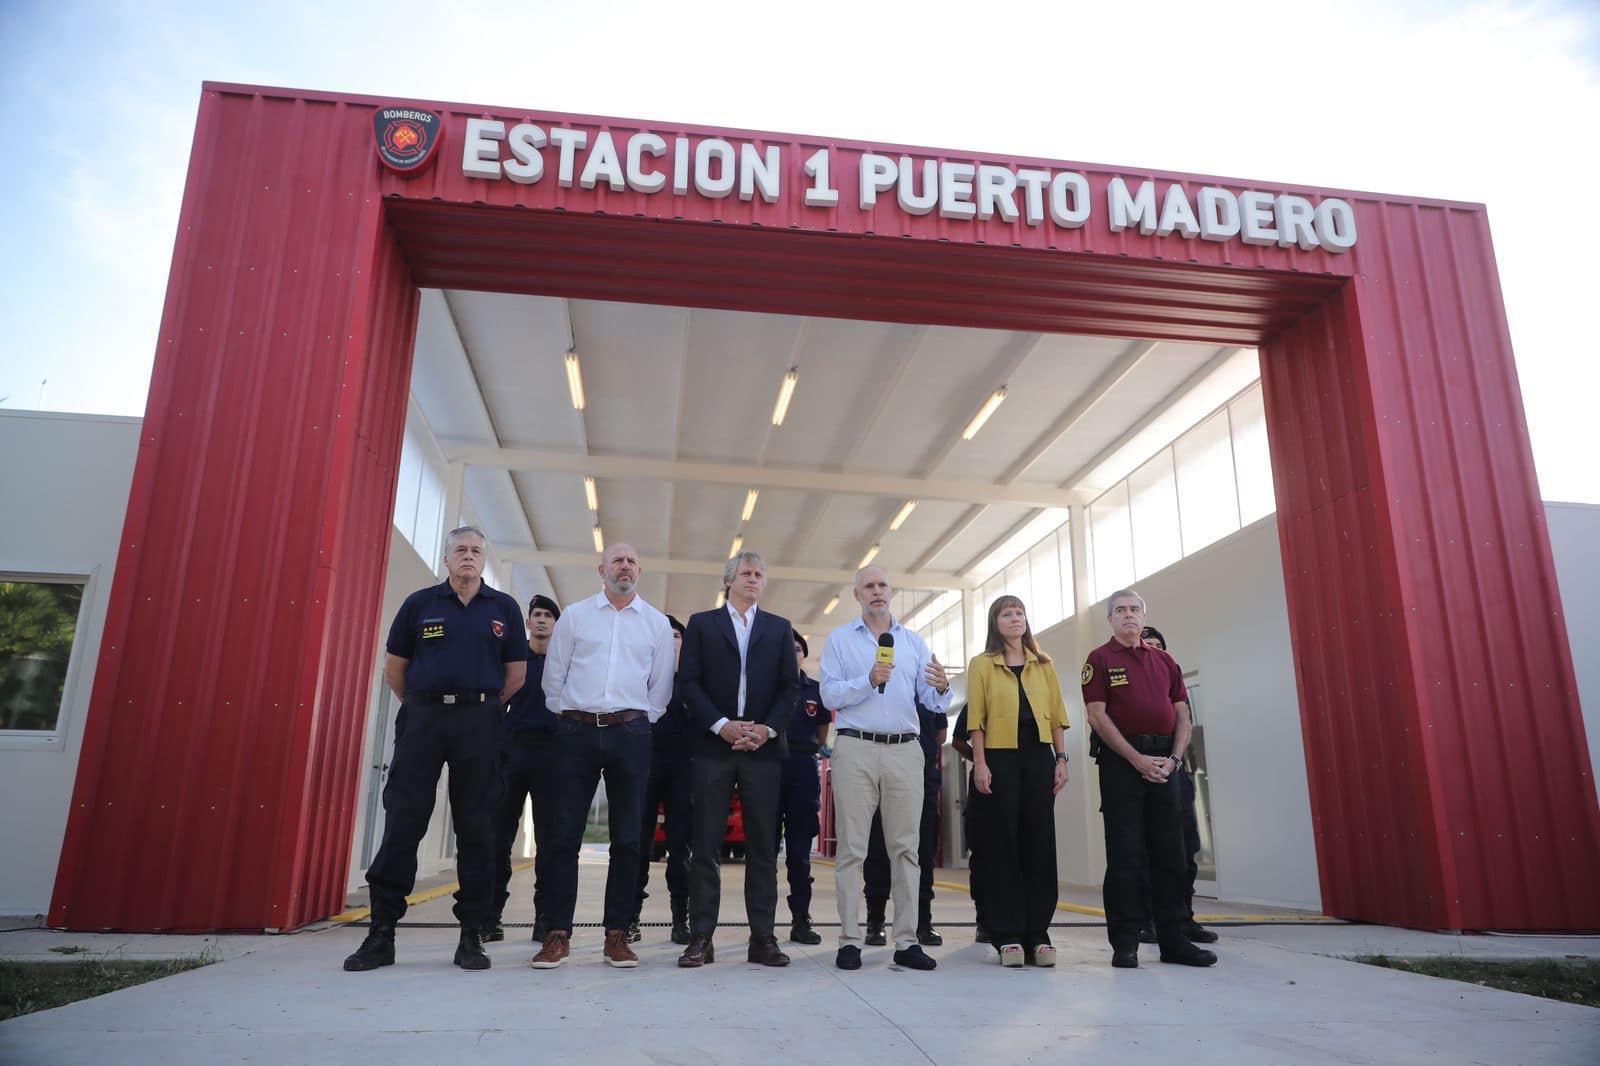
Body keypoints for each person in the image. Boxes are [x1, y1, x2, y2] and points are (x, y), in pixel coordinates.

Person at [344, 526, 528, 973]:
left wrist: (478, 708)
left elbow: (516, 674)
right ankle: (382, 932)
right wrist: (427, 707)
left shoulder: (503, 608)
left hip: (481, 722)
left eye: (476, 551)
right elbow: (395, 670)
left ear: (484, 560)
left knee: (478, 828)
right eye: (460, 550)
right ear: (446, 559)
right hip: (424, 720)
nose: (468, 557)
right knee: (404, 823)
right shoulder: (418, 605)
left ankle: (471, 935)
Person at [533, 543, 675, 970]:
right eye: (617, 560)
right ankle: (557, 934)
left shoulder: (655, 624)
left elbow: (660, 688)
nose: (625, 566)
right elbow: (553, 678)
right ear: (602, 570)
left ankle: (617, 934)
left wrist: (637, 720)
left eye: (632, 560)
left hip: (631, 733)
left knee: (629, 839)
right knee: (563, 836)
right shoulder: (576, 616)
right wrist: (572, 715)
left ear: (639, 571)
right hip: (575, 730)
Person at [820, 565, 950, 972]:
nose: (877, 592)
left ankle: (907, 940)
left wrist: (944, 688)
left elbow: (930, 701)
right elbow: (829, 692)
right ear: (856, 594)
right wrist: (867, 679)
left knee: (906, 849)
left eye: (882, 585)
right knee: (853, 850)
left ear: (891, 592)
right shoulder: (840, 640)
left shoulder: (913, 643)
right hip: (856, 747)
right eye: (869, 586)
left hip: (905, 750)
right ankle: (849, 941)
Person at [676, 551, 801, 968]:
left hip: (762, 750)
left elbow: (789, 689)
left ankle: (763, 938)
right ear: (728, 580)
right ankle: (701, 938)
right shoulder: (702, 624)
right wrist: (720, 724)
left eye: (759, 574)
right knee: (706, 845)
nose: (753, 579)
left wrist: (765, 729)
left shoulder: (780, 629)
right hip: (713, 748)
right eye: (746, 573)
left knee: (764, 848)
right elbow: (688, 683)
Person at [1081, 589, 1217, 969]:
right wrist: (1137, 758)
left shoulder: (1166, 661)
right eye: (1120, 610)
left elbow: (1183, 716)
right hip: (1122, 765)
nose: (1128, 615)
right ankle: (1125, 943)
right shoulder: (1099, 660)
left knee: (1171, 853)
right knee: (1126, 856)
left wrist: (1173, 759)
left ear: (1143, 616)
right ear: (1110, 619)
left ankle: (1174, 940)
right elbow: (1096, 715)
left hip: (1165, 765)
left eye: (1134, 609)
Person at [967, 595, 1072, 967]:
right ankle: (1007, 933)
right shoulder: (982, 665)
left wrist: (1061, 759)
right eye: (1006, 614)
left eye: (1020, 613)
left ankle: (1038, 933)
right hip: (999, 759)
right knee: (1003, 842)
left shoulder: (1044, 665)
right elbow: (975, 719)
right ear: (995, 623)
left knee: (1039, 841)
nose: (1015, 619)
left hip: (1038, 757)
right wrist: (980, 763)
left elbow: (1058, 716)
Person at [1137, 625, 1218, 947]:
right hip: (1146, 777)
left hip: (1178, 777)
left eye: (1160, 645)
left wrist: (1178, 763)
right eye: (1149, 645)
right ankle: (1150, 921)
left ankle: (1185, 919)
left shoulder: (1175, 688)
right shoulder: (1136, 694)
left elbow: (1186, 730)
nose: (1155, 650)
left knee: (1186, 851)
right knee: (1149, 854)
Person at [489, 594, 561, 944]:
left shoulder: (567, 665)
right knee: (498, 837)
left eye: (549, 615)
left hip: (551, 755)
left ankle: (545, 920)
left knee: (549, 841)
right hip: (512, 750)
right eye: (537, 615)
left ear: (557, 625)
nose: (543, 620)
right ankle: (489, 917)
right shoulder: (513, 660)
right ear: (528, 623)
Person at [630, 614, 694, 945]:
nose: (671, 640)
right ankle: (630, 917)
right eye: (665, 635)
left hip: (683, 769)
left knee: (679, 848)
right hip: (645, 764)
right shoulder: (643, 677)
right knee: (637, 844)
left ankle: (680, 918)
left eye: (676, 635)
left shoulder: (693, 681)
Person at [862, 699, 946, 948]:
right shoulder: (887, 682)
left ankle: (922, 921)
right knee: (879, 847)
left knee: (922, 850)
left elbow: (941, 734)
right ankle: (875, 921)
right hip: (885, 770)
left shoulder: (929, 690)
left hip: (923, 772)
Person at [778, 632, 831, 945]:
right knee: (763, 852)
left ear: (804, 655)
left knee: (799, 853)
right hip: (769, 768)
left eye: (797, 648)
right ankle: (762, 927)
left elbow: (821, 736)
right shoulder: (766, 687)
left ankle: (801, 919)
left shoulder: (816, 691)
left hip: (802, 767)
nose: (792, 652)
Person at [949, 705, 990, 942]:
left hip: (1019, 779)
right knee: (983, 855)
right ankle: (984, 920)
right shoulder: (977, 700)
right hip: (985, 784)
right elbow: (956, 740)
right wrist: (981, 760)